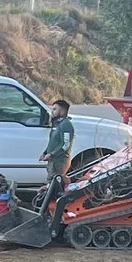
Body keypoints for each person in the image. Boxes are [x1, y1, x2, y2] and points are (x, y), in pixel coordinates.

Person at [41, 98, 76, 232]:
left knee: (55, 187)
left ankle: (55, 219)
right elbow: (52, 142)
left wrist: (53, 154)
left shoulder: (66, 125)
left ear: (62, 110)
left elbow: (65, 145)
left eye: (55, 109)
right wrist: (45, 152)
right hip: (53, 160)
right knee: (49, 186)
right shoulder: (57, 124)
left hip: (60, 161)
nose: (52, 111)